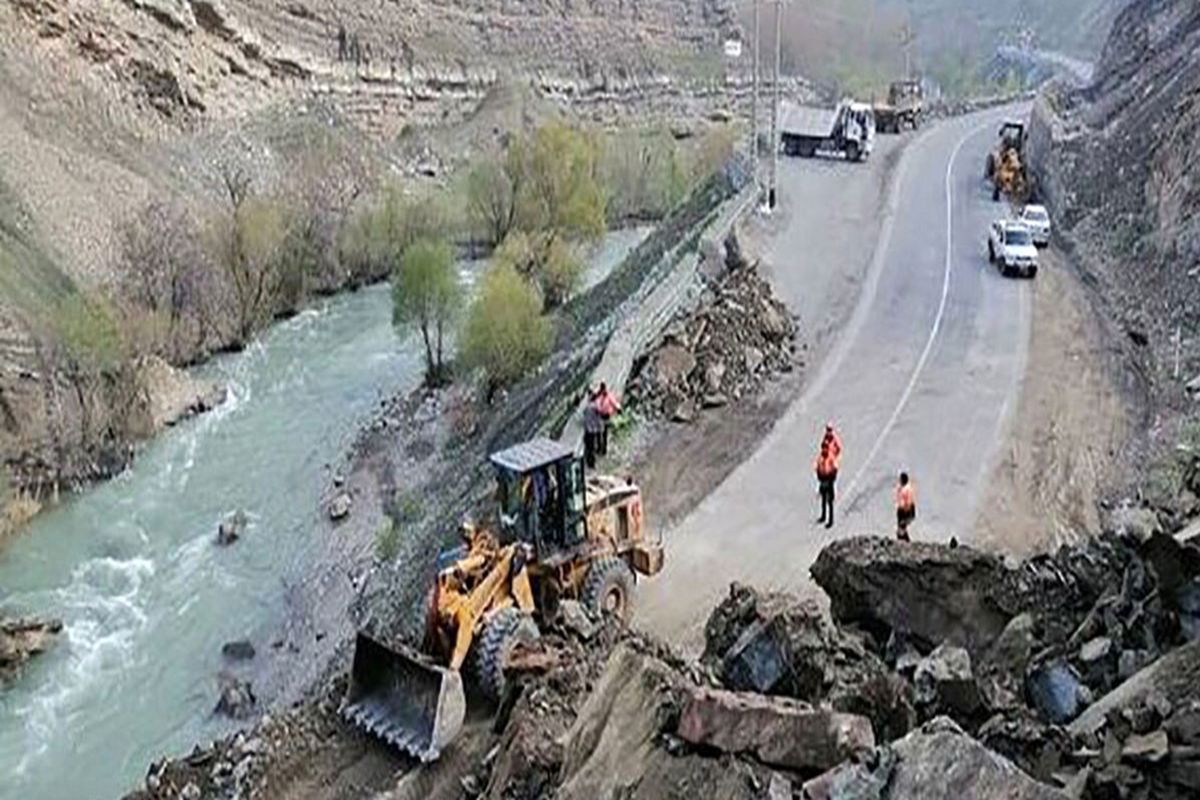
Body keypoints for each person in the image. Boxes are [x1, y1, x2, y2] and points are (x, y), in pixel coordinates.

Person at [591, 382, 621, 457]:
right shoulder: (599, 396)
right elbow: (595, 402)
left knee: (604, 433)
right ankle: (599, 448)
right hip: (599, 415)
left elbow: (614, 402)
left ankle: (604, 449)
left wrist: (618, 409)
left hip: (606, 416)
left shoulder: (609, 396)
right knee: (598, 432)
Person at [815, 441, 838, 528]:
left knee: (830, 501)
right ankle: (823, 516)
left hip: (829, 479)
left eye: (825, 447)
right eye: (823, 447)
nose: (824, 449)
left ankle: (831, 520)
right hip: (823, 479)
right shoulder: (820, 458)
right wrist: (820, 477)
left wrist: (831, 479)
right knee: (823, 500)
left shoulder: (831, 458)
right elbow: (818, 468)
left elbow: (835, 469)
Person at [895, 471, 916, 541]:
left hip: (905, 510)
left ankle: (904, 540)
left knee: (902, 525)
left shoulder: (907, 489)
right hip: (901, 509)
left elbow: (909, 500)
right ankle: (902, 539)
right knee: (900, 526)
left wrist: (907, 509)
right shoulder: (901, 488)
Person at [583, 397, 603, 468]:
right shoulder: (595, 407)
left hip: (587, 430)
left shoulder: (587, 407)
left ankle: (588, 462)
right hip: (592, 430)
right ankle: (592, 463)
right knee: (592, 448)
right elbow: (600, 412)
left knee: (588, 447)